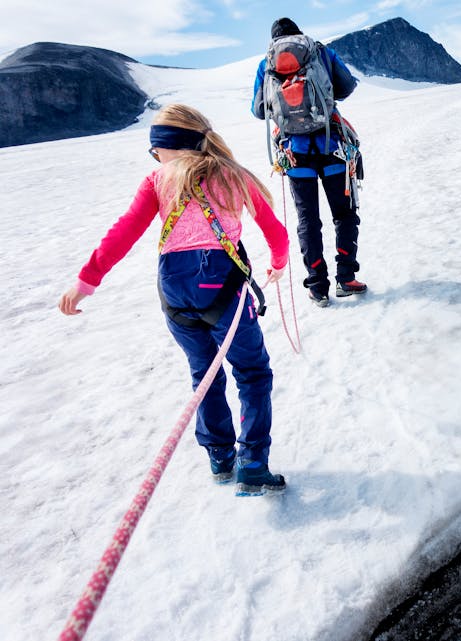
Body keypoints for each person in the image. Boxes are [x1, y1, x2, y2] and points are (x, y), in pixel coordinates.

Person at [58, 103, 290, 497]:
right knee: (251, 371)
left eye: (155, 150)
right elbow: (276, 232)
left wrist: (86, 281)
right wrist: (278, 266)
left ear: (167, 147)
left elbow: (124, 232)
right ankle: (253, 464)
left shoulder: (157, 180)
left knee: (204, 371)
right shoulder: (235, 176)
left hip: (174, 290)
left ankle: (219, 456)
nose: (154, 157)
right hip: (223, 286)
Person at [251, 17, 367, 307]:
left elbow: (258, 110)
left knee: (308, 221)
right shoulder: (319, 51)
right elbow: (347, 86)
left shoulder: (266, 65)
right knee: (345, 214)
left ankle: (317, 287)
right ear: (299, 33)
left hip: (294, 153)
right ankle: (346, 278)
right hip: (333, 147)